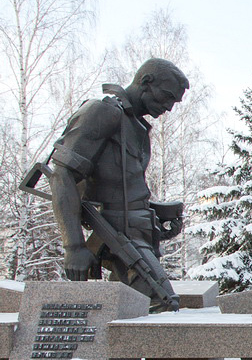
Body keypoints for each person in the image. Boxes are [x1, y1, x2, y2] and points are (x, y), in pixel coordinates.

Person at [48, 59, 190, 311]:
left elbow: (118, 187)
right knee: (161, 302)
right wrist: (74, 246)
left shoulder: (134, 125)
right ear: (146, 82)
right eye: (167, 96)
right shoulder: (102, 112)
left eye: (173, 102)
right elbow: (62, 175)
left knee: (135, 310)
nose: (168, 107)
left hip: (138, 234)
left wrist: (157, 213)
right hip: (115, 235)